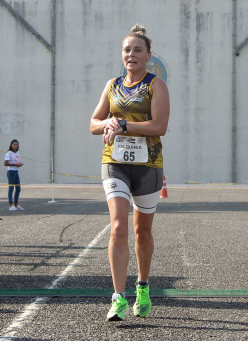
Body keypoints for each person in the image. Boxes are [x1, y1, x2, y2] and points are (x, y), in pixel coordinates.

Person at [90, 24, 170, 321]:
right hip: (114, 162)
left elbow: (160, 126)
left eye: (138, 50)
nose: (131, 54)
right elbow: (93, 123)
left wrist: (124, 124)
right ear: (121, 55)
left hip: (148, 166)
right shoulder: (112, 85)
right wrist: (108, 123)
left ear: (148, 56)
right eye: (127, 50)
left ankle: (143, 286)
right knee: (118, 227)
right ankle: (118, 298)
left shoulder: (155, 85)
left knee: (141, 231)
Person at [4, 139, 23, 211]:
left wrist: (19, 164)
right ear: (11, 145)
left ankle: (16, 204)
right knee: (11, 188)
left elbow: (17, 161)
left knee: (18, 188)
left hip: (16, 171)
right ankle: (10, 205)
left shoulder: (17, 153)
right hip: (11, 172)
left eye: (17, 144)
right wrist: (15, 164)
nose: (16, 146)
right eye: (14, 144)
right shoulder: (9, 153)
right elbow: (5, 163)